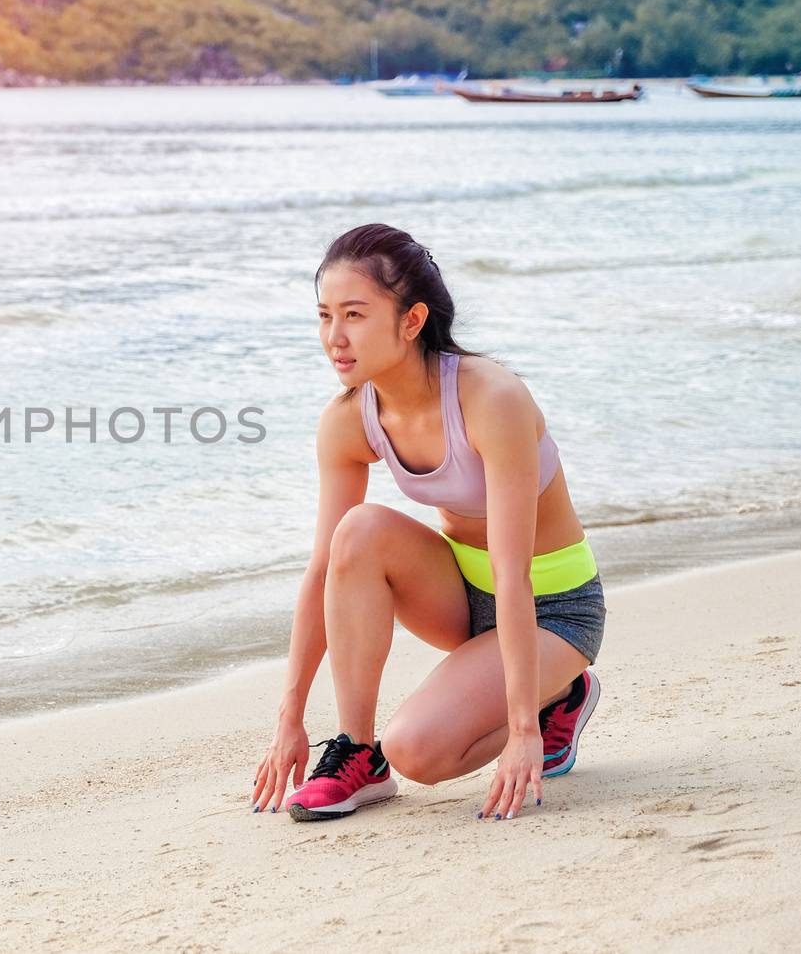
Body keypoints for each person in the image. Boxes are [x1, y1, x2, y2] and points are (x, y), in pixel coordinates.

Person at [250, 223, 605, 823]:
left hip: (553, 607)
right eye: (324, 316)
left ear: (411, 321)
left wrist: (522, 732)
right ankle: (356, 753)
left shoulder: (491, 399)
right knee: (357, 531)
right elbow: (322, 572)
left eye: (355, 315)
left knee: (418, 751)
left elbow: (513, 574)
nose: (335, 338)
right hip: (465, 598)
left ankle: (557, 698)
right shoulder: (348, 420)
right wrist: (289, 718)